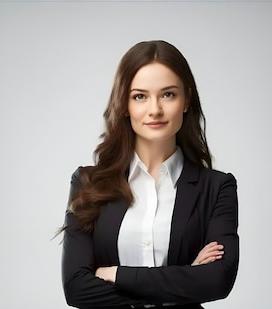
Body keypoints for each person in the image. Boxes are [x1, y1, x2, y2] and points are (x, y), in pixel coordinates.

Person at [60, 40, 239, 309]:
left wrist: (116, 274)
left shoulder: (216, 188)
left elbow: (217, 281)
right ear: (124, 104)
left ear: (186, 99)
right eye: (140, 96)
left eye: (168, 94)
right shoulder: (88, 183)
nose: (154, 109)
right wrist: (185, 280)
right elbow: (77, 289)